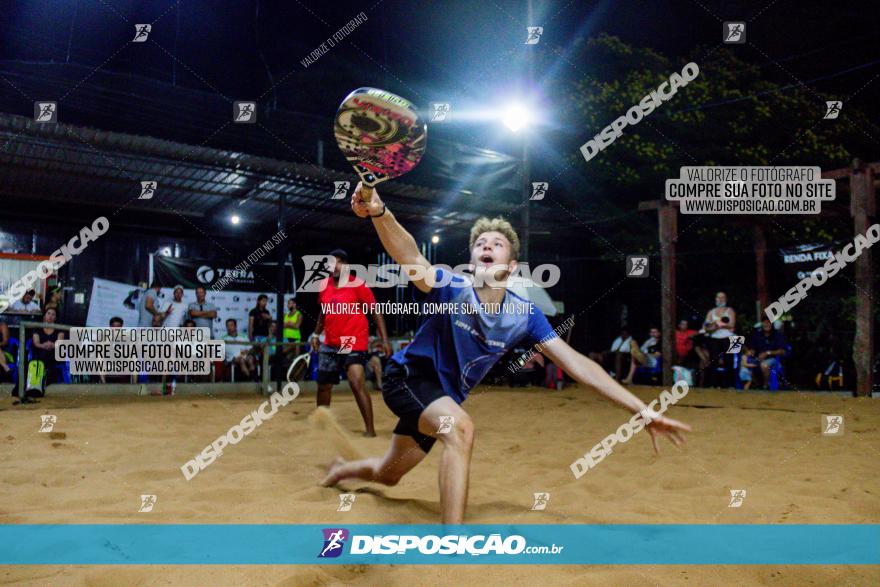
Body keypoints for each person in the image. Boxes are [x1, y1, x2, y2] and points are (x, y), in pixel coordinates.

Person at [320, 183, 690, 524]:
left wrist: (640, 410)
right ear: (472, 257)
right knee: (460, 429)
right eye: (480, 241)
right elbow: (410, 255)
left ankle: (341, 470)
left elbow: (577, 364)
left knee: (391, 474)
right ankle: (450, 546)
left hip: (443, 398)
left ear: (511, 266)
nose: (486, 245)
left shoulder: (524, 315)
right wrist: (381, 212)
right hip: (410, 380)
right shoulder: (452, 286)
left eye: (497, 243)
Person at [309, 248, 391, 437]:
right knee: (324, 385)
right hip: (331, 341)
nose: (335, 266)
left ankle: (370, 430)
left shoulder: (358, 284)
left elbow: (375, 312)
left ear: (346, 265)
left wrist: (384, 340)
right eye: (331, 263)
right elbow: (323, 313)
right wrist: (315, 335)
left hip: (351, 340)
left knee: (355, 381)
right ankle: (322, 426)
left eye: (339, 262)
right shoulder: (324, 286)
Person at [29, 307, 65, 394]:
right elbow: (36, 343)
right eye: (48, 313)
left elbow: (59, 343)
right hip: (40, 351)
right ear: (45, 316)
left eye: (53, 314)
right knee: (42, 354)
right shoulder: (38, 328)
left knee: (49, 355)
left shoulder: (59, 328)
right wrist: (44, 345)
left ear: (55, 318)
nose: (50, 316)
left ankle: (44, 378)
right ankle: (42, 378)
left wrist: (52, 345)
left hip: (54, 353)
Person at [751, 317, 787, 388]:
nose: (766, 324)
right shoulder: (758, 335)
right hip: (758, 358)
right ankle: (754, 385)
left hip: (773, 359)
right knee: (743, 363)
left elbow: (782, 351)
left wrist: (768, 353)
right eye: (764, 322)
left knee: (764, 365)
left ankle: (765, 385)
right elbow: (753, 349)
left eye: (768, 322)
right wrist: (750, 352)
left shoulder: (777, 335)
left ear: (772, 324)